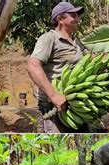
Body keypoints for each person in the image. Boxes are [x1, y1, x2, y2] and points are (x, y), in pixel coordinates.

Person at [27, 2, 85, 133]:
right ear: (60, 19)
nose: (77, 19)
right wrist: (53, 95)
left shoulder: (77, 43)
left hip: (76, 105)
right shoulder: (49, 38)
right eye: (73, 16)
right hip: (52, 106)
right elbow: (32, 65)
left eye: (77, 16)